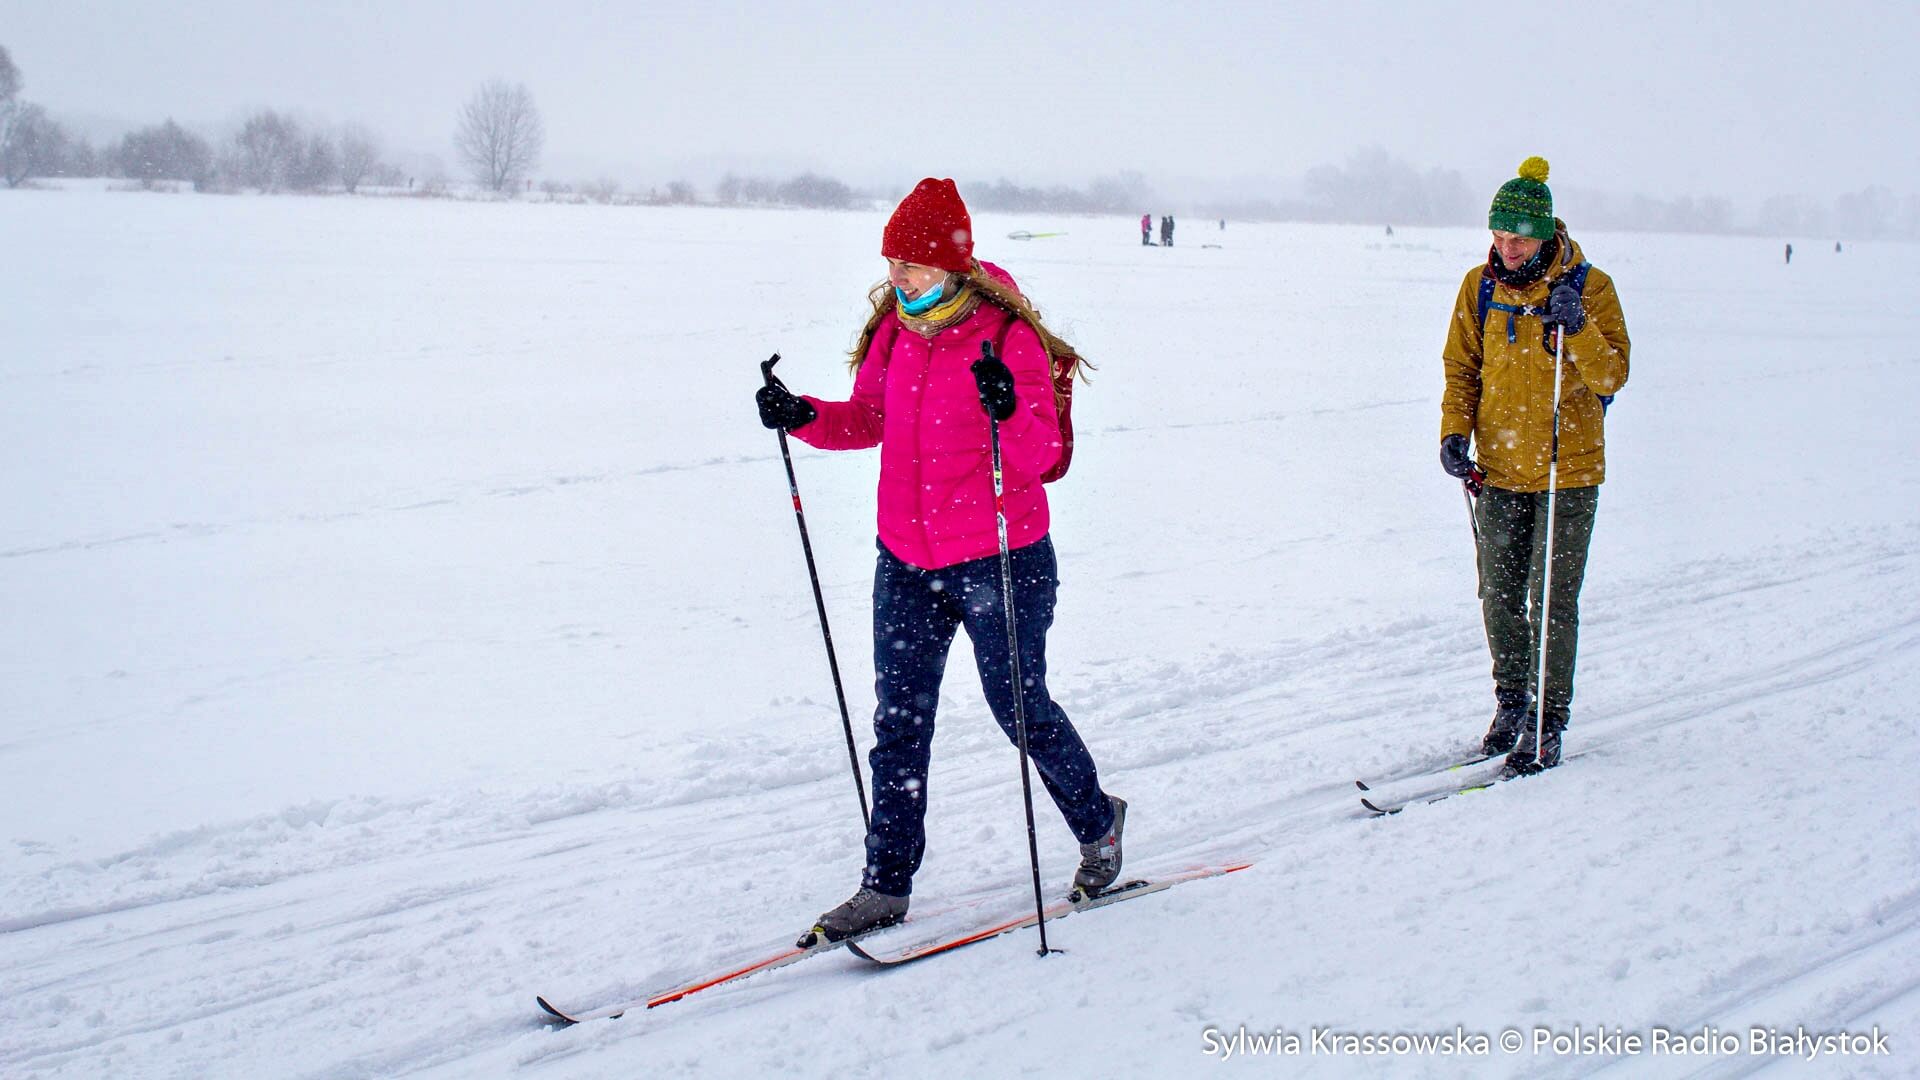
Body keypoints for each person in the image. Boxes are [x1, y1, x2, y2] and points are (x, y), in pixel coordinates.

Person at [756, 178, 1125, 943]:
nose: (899, 279)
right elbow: (868, 419)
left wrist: (1007, 407)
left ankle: (1099, 824)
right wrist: (804, 416)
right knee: (899, 724)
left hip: (1002, 555)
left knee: (1020, 710)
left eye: (913, 268)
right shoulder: (894, 330)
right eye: (893, 263)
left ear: (954, 268)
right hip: (908, 563)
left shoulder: (1006, 336)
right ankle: (884, 887)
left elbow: (1042, 455)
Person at [1438, 157, 1631, 775]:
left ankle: (1547, 721)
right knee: (1498, 596)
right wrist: (1453, 432)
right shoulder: (1480, 287)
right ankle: (1512, 702)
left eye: (1517, 237)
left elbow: (1612, 374)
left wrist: (1575, 327)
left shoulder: (1590, 287)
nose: (1506, 247)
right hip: (1498, 467)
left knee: (1551, 599)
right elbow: (1461, 368)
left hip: (1565, 471)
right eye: (1498, 234)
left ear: (1544, 233)